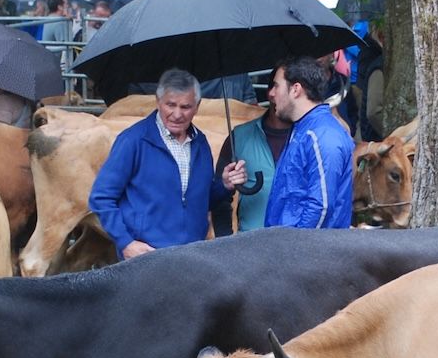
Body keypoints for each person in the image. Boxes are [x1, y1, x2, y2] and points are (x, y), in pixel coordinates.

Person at [88, 69, 247, 258]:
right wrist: (126, 243)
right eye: (170, 105)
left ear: (197, 106)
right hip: (146, 257)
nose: (177, 114)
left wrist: (225, 185)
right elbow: (101, 197)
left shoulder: (200, 143)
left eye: (185, 107)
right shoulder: (133, 141)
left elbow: (198, 200)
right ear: (158, 101)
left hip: (190, 255)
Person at [254, 56, 356, 229]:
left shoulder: (323, 136)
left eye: (277, 86)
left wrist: (296, 251)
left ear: (296, 89)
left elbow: (321, 207)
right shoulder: (302, 129)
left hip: (308, 252)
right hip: (286, 246)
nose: (270, 93)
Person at [213, 96, 294, 235]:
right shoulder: (239, 136)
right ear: (271, 92)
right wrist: (224, 241)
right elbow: (220, 198)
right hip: (250, 244)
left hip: (299, 244)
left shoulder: (311, 137)